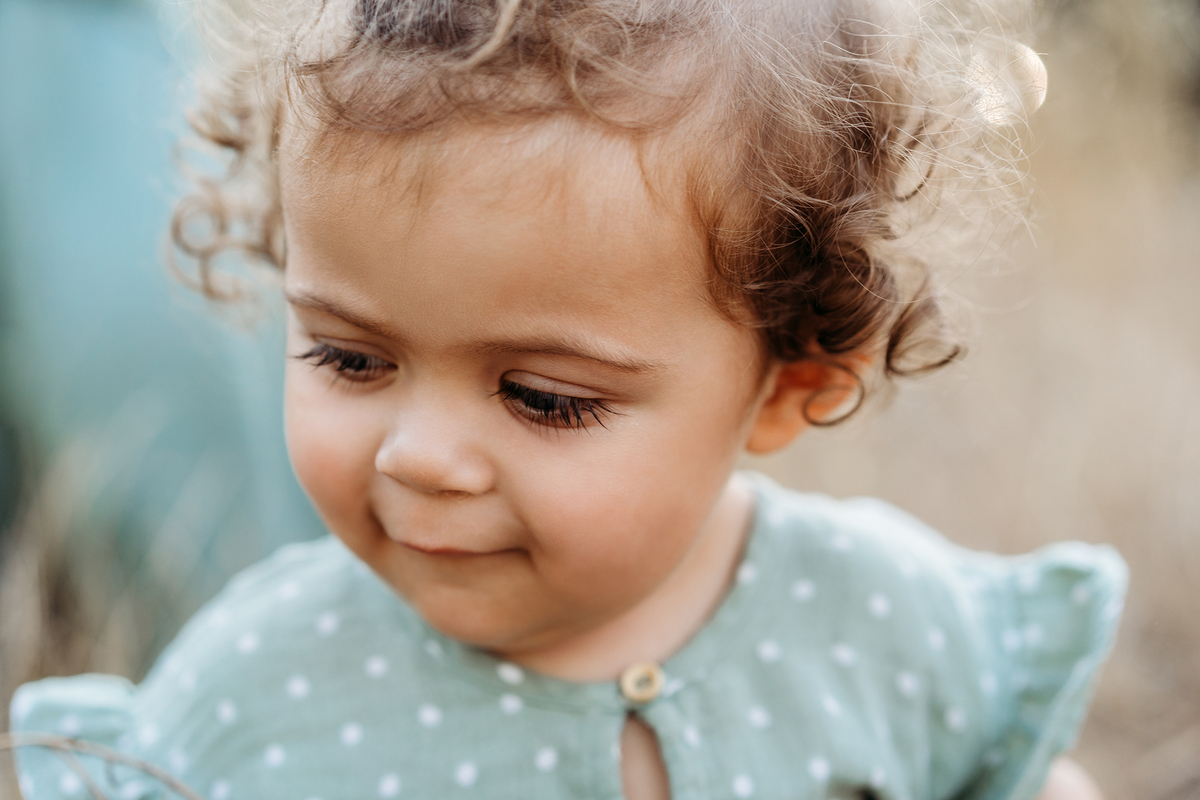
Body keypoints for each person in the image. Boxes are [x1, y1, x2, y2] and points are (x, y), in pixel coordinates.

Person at [8, 0, 1125, 798]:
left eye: (542, 398)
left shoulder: (886, 624)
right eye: (350, 358)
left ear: (790, 386)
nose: (419, 456)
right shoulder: (255, 689)